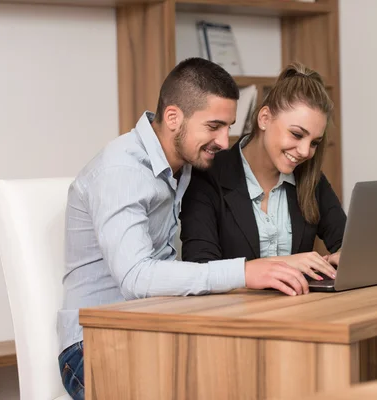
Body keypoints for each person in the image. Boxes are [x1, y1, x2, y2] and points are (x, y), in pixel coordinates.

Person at [56, 58, 309, 400]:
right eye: (214, 126)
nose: (223, 141)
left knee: (271, 372)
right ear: (174, 117)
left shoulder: (186, 164)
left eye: (229, 127)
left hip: (155, 328)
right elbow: (136, 277)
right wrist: (244, 272)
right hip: (94, 346)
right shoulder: (121, 171)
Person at [179, 62, 347, 282]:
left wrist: (343, 259)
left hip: (301, 312)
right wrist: (287, 264)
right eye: (297, 134)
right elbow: (199, 268)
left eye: (314, 142)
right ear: (264, 118)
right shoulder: (208, 175)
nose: (305, 151)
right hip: (231, 313)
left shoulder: (310, 178)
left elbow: (347, 243)